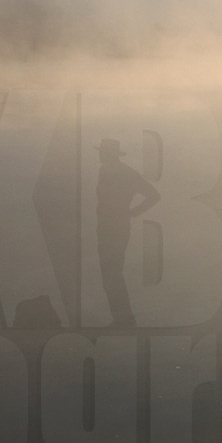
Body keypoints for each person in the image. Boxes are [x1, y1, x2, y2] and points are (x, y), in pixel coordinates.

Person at [96, 137, 159, 327]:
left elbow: (154, 195)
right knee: (109, 274)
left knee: (112, 273)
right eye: (101, 152)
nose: (100, 155)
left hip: (116, 229)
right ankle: (121, 317)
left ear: (110, 154)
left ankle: (124, 319)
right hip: (106, 228)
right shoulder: (105, 170)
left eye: (103, 152)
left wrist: (132, 212)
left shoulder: (126, 173)